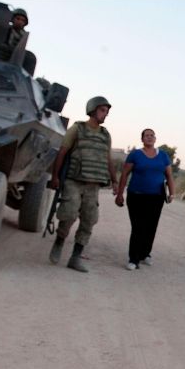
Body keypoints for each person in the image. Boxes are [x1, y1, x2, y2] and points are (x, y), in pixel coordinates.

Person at [48, 96, 118, 273]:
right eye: (103, 110)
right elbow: (62, 152)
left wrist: (115, 181)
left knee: (89, 220)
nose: (105, 114)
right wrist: (55, 177)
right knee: (69, 213)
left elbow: (108, 159)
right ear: (93, 110)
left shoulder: (105, 135)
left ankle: (75, 257)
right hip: (74, 181)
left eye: (107, 111)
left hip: (93, 184)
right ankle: (59, 241)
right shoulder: (77, 129)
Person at [114, 129, 175, 270]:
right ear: (142, 139)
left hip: (156, 197)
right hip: (136, 196)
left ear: (155, 138)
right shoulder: (135, 155)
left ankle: (145, 253)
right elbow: (124, 174)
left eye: (151, 135)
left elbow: (169, 176)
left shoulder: (163, 156)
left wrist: (172, 193)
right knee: (137, 227)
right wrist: (120, 194)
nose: (149, 137)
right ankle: (133, 260)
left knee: (150, 227)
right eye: (146, 136)